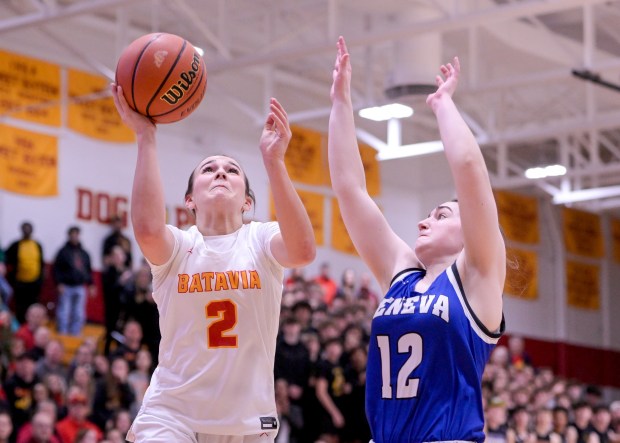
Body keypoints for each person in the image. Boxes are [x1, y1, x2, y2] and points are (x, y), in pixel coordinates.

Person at [110, 81, 316, 443]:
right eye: (209, 169)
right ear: (190, 200)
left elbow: (302, 251)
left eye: (232, 170)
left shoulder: (261, 239)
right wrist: (146, 136)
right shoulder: (179, 247)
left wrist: (274, 162)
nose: (221, 172)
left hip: (248, 424)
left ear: (247, 202)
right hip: (172, 415)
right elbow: (146, 229)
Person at [328, 36, 505, 443]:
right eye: (426, 215)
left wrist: (443, 105)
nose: (425, 221)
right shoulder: (401, 275)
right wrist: (341, 103)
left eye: (441, 214)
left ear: (471, 233)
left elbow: (469, 167)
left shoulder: (477, 277)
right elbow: (350, 190)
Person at [52, 226, 96, 336]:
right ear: (69, 235)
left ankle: (75, 333)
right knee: (64, 312)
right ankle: (63, 333)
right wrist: (59, 283)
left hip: (80, 286)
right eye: (72, 234)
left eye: (76, 234)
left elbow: (88, 270)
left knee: (79, 313)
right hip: (66, 286)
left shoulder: (84, 253)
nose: (74, 236)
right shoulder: (63, 252)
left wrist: (91, 284)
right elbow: (56, 269)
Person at [5, 221, 45, 324]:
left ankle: (32, 325)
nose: (27, 231)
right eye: (25, 229)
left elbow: (41, 263)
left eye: (29, 229)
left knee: (33, 306)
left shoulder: (37, 245)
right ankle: (20, 325)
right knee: (20, 306)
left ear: (32, 231)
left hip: (34, 283)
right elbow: (6, 259)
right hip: (20, 282)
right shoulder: (16, 245)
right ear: (21, 230)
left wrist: (40, 280)